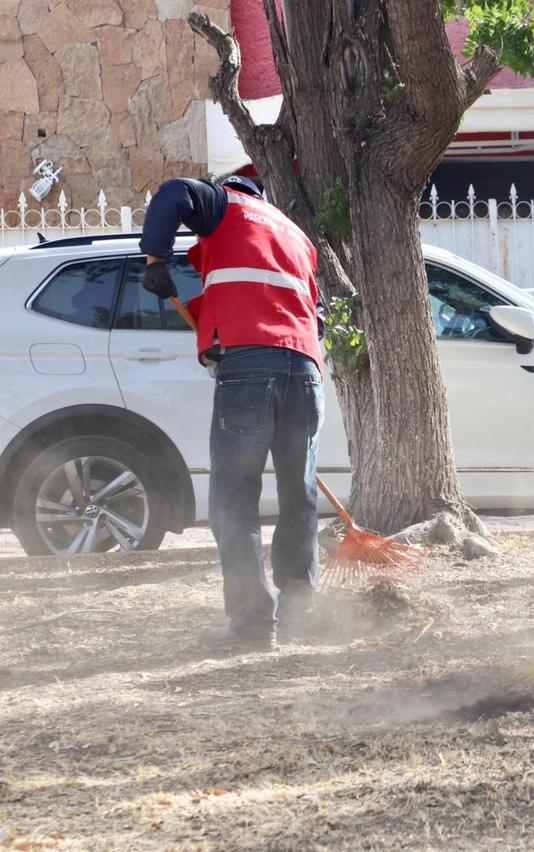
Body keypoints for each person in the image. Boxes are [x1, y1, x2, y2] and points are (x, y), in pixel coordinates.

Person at [140, 174, 326, 652]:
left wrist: (156, 257)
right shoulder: (293, 233)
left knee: (235, 497)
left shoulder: (226, 203)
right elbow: (316, 314)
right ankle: (301, 617)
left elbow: (174, 193)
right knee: (298, 495)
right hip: (305, 368)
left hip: (250, 367)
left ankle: (250, 626)